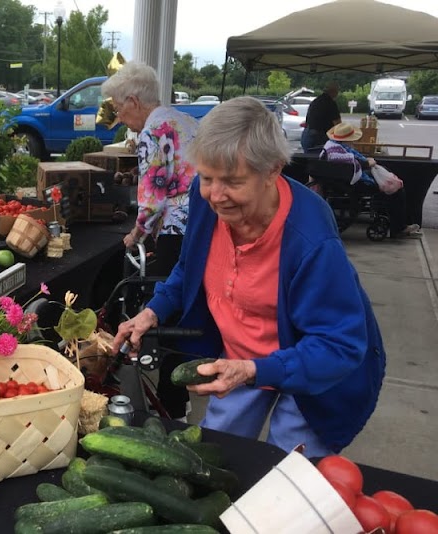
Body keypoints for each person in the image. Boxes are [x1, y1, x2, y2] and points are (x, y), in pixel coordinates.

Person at [113, 97, 386, 457]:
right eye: (208, 177)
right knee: (216, 457)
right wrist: (153, 311)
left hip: (310, 371)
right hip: (240, 356)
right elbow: (190, 266)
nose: (216, 195)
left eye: (232, 182)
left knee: (283, 476)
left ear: (272, 170)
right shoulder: (204, 196)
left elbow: (339, 345)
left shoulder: (311, 240)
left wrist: (255, 370)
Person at [101, 62, 199, 420]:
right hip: (203, 225)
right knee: (186, 307)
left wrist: (136, 233)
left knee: (164, 309)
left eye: (117, 105)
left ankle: (173, 408)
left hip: (177, 229)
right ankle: (179, 399)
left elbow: (154, 200)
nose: (119, 114)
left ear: (133, 100)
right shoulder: (184, 120)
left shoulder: (151, 132)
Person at [320, 122, 421, 238]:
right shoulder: (338, 153)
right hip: (353, 183)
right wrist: (368, 162)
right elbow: (356, 163)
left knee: (390, 183)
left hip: (345, 180)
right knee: (395, 190)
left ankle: (398, 225)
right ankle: (398, 227)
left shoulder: (331, 146)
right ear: (347, 139)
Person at [301, 82, 341, 151]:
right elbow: (337, 124)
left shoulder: (315, 101)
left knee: (308, 158)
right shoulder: (331, 103)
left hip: (307, 133)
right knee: (320, 159)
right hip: (320, 136)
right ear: (333, 92)